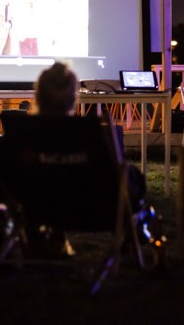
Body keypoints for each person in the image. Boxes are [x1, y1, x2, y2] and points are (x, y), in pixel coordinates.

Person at [30, 62, 148, 257]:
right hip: (92, 211)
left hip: (36, 208)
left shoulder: (24, 134)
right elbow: (110, 177)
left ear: (38, 95)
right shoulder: (89, 134)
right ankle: (131, 232)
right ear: (72, 98)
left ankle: (48, 240)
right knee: (129, 175)